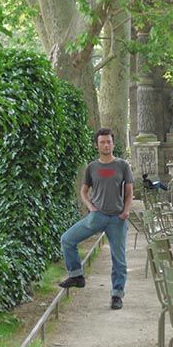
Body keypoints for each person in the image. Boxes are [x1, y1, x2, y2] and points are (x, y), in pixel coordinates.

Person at [58, 128, 134, 310]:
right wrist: (90, 207)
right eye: (102, 142)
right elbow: (83, 191)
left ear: (113, 144)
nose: (106, 145)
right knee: (67, 240)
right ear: (97, 145)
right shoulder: (92, 167)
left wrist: (126, 211)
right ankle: (76, 275)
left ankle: (117, 295)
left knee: (119, 259)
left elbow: (129, 192)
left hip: (117, 218)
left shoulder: (122, 166)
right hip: (97, 216)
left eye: (108, 141)